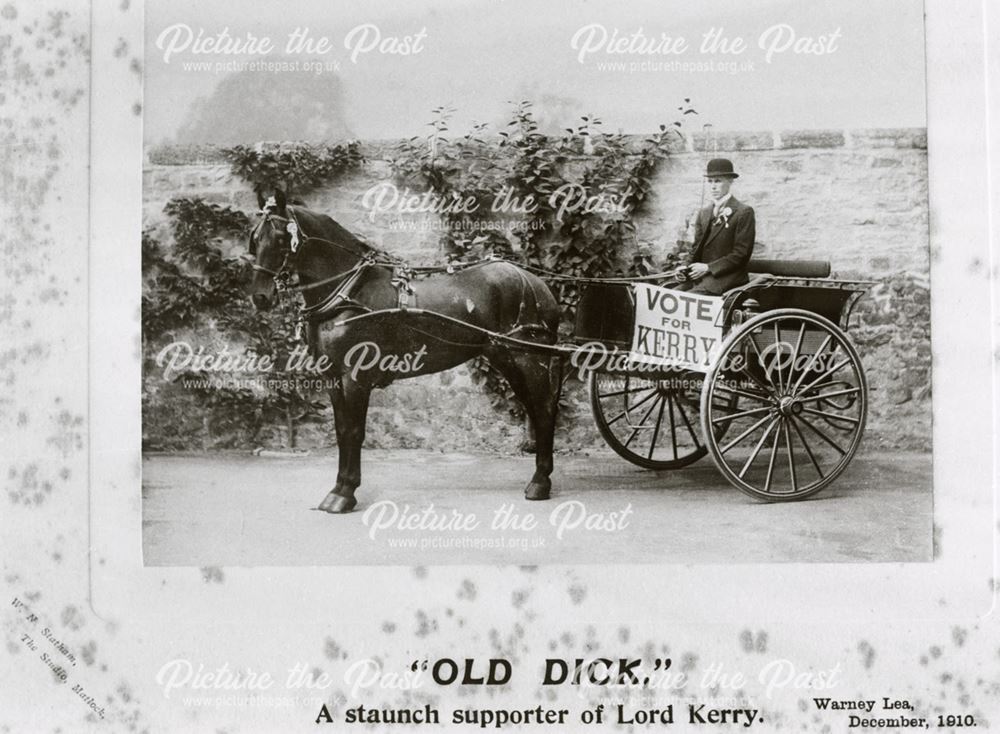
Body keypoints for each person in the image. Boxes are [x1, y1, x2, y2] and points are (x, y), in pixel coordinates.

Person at [676, 158, 756, 295]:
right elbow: (696, 247)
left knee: (689, 298)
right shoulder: (704, 212)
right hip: (703, 277)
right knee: (670, 294)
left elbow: (741, 254)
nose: (713, 186)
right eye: (710, 181)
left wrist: (708, 267)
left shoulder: (743, 212)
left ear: (730, 181)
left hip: (728, 278)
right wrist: (684, 267)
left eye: (718, 181)